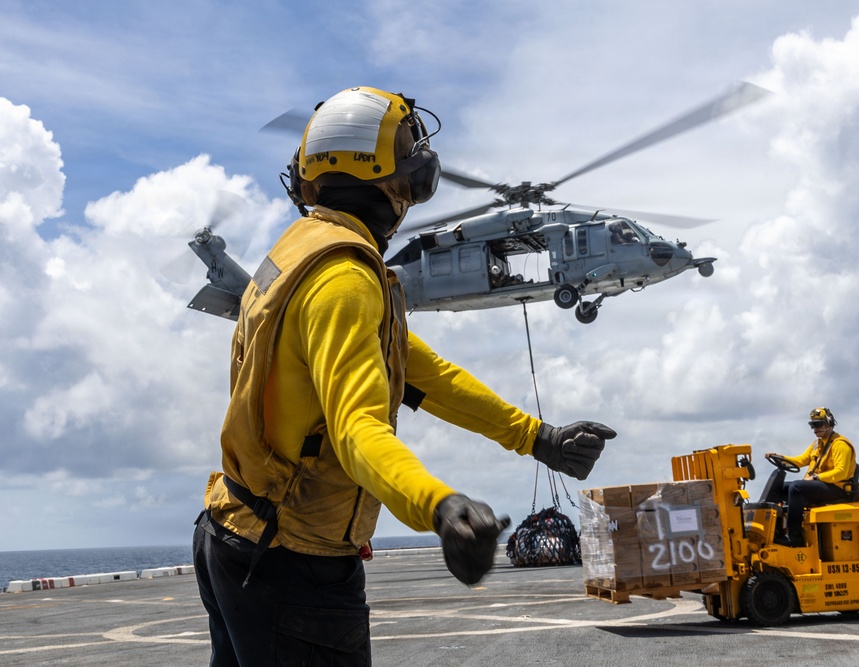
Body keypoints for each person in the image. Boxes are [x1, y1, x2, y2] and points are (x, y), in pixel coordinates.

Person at [192, 86, 616, 666]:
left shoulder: (301, 251)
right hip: (289, 563)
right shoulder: (344, 279)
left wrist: (535, 437)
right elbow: (357, 430)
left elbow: (426, 374)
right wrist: (440, 507)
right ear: (392, 181)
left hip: (230, 533)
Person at [766, 407, 856, 547]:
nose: (815, 428)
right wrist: (780, 457)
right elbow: (800, 460)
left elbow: (841, 472)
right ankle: (774, 532)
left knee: (796, 487)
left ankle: (794, 537)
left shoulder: (840, 445)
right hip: (822, 485)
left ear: (829, 423)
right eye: (812, 425)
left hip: (837, 488)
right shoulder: (817, 444)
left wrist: (815, 478)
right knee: (779, 488)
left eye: (818, 424)